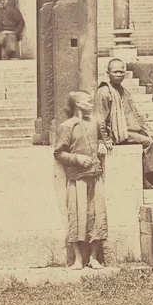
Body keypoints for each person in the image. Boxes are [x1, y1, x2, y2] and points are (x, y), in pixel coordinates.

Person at [96, 58, 153, 189]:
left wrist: (148, 130)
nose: (119, 75)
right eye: (115, 72)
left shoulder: (124, 91)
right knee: (148, 143)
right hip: (117, 133)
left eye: (121, 72)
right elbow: (100, 118)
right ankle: (145, 180)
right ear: (107, 73)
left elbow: (136, 114)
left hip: (131, 130)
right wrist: (105, 139)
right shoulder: (104, 91)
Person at [54, 89, 107, 269]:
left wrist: (102, 144)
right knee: (77, 215)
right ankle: (77, 259)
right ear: (78, 104)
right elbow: (59, 152)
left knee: (97, 214)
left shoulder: (94, 123)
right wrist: (76, 158)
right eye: (88, 102)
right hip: (77, 178)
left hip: (95, 174)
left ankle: (93, 258)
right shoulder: (67, 126)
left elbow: (103, 137)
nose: (92, 105)